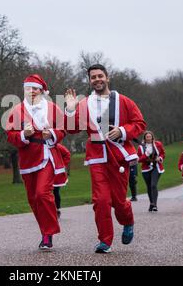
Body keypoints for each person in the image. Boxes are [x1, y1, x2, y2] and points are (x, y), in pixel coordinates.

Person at [65, 64, 146, 253]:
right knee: (101, 201)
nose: (97, 79)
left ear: (107, 78)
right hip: (97, 157)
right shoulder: (84, 104)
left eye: (100, 76)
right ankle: (105, 241)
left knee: (119, 201)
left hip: (118, 156)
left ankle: (128, 221)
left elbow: (140, 123)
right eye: (93, 77)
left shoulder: (124, 101)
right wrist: (70, 109)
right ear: (90, 81)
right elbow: (71, 129)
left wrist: (123, 131)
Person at [6, 74, 67, 251]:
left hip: (47, 155)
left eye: (35, 89)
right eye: (28, 89)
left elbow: (63, 129)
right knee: (33, 199)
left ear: (42, 91)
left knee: (42, 194)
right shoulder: (17, 110)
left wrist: (53, 134)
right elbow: (10, 136)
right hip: (27, 158)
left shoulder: (52, 108)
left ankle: (48, 234)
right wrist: (23, 135)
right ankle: (44, 230)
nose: (31, 92)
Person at [137, 131, 165, 212]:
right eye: (147, 137)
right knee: (149, 187)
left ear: (152, 137)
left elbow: (163, 153)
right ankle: (151, 203)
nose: (149, 138)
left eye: (150, 137)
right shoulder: (141, 147)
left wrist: (160, 158)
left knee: (153, 185)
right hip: (146, 168)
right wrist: (146, 154)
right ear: (145, 138)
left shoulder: (158, 144)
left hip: (156, 167)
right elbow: (138, 159)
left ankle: (155, 205)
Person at [53, 143, 71, 219]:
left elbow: (67, 154)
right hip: (45, 171)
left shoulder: (56, 145)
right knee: (44, 192)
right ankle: (48, 210)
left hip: (57, 173)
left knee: (55, 191)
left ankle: (57, 209)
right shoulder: (41, 144)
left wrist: (62, 165)